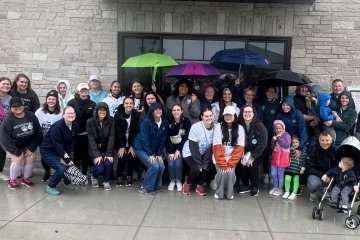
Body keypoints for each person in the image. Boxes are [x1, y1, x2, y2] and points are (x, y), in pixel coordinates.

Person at [0, 97, 42, 190]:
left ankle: (26, 179)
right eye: (14, 106)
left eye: (19, 105)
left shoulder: (31, 115)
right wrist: (16, 152)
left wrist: (31, 147)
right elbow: (5, 139)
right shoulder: (8, 120)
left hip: (27, 144)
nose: (18, 107)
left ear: (23, 106)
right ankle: (12, 181)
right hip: (13, 145)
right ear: (11, 108)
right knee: (18, 159)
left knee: (31, 157)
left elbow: (38, 132)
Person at [40, 106, 78, 195]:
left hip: (61, 150)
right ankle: (50, 187)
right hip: (48, 151)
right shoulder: (57, 127)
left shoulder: (75, 125)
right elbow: (57, 145)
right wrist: (67, 159)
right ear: (63, 115)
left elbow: (74, 140)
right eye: (68, 113)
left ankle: (67, 182)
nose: (71, 115)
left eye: (72, 113)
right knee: (61, 168)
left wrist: (69, 153)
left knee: (69, 165)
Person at [134, 102, 168, 194]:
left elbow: (163, 139)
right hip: (140, 148)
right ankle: (145, 188)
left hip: (154, 149)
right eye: (156, 109)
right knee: (154, 165)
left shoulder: (164, 122)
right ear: (152, 111)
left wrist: (158, 154)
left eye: (160, 109)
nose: (158, 111)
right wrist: (150, 154)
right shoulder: (146, 122)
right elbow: (145, 139)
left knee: (161, 166)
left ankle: (155, 186)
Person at [212, 106, 245, 200]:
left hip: (232, 158)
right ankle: (219, 193)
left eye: (230, 115)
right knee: (222, 173)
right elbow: (217, 146)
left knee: (230, 173)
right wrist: (223, 164)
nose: (228, 117)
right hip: (219, 157)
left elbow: (239, 148)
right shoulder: (218, 126)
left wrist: (230, 164)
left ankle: (229, 193)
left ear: (234, 116)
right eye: (226, 115)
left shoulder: (240, 128)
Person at [182, 107, 214, 196]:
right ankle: (187, 183)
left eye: (210, 116)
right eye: (206, 116)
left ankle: (199, 186)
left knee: (206, 168)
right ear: (202, 117)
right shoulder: (195, 127)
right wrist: (199, 164)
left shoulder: (215, 127)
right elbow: (193, 147)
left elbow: (211, 148)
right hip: (190, 152)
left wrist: (205, 162)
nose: (209, 118)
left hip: (204, 152)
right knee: (196, 169)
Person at [236, 105, 268, 197]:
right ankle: (246, 185)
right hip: (246, 149)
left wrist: (252, 157)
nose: (247, 114)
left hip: (260, 150)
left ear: (253, 114)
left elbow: (263, 144)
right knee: (240, 163)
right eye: (245, 112)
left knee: (252, 164)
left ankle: (254, 186)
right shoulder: (239, 125)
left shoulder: (260, 127)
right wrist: (241, 151)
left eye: (249, 112)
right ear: (242, 114)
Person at [67, 83, 96, 175]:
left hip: (86, 134)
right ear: (78, 91)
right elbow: (68, 117)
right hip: (74, 134)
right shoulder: (71, 102)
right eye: (82, 90)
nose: (84, 92)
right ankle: (76, 174)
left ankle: (84, 174)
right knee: (76, 155)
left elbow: (94, 120)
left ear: (88, 91)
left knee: (85, 155)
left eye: (85, 90)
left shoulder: (93, 104)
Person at [35, 90, 63, 182]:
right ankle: (47, 172)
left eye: (53, 99)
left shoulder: (61, 112)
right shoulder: (40, 111)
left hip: (56, 139)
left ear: (57, 100)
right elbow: (36, 125)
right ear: (46, 100)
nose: (51, 101)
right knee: (44, 157)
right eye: (49, 99)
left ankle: (57, 172)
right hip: (43, 139)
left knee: (56, 156)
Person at [87, 102, 115, 190]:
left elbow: (111, 136)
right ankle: (94, 176)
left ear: (107, 111)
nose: (102, 112)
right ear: (96, 111)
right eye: (100, 110)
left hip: (107, 148)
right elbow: (91, 139)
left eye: (104, 110)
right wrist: (97, 155)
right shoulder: (90, 121)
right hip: (94, 149)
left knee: (108, 163)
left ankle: (106, 181)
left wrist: (109, 153)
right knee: (99, 168)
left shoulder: (111, 120)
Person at [114, 97, 140, 187]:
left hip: (131, 140)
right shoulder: (118, 114)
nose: (129, 105)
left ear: (133, 105)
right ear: (123, 104)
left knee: (131, 156)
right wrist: (121, 146)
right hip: (120, 140)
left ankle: (129, 176)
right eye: (127, 103)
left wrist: (132, 145)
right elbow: (118, 131)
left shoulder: (136, 114)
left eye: (131, 103)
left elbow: (136, 131)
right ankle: (119, 176)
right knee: (122, 157)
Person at [306, 131, 338, 202]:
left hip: (331, 174)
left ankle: (326, 191)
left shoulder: (336, 150)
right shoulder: (313, 149)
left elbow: (339, 166)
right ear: (319, 140)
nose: (324, 143)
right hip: (316, 174)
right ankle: (313, 192)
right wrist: (322, 175)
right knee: (313, 184)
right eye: (322, 140)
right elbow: (309, 167)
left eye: (327, 140)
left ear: (331, 140)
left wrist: (329, 174)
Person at [165, 104, 191, 192]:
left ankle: (179, 180)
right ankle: (172, 180)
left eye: (178, 110)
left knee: (178, 164)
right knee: (171, 164)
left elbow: (186, 138)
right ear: (171, 112)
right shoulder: (168, 121)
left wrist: (178, 150)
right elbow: (166, 137)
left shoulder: (186, 122)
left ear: (182, 111)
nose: (176, 112)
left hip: (182, 147)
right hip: (170, 147)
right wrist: (172, 151)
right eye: (174, 110)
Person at [260, 86, 280, 184]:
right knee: (264, 154)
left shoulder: (278, 104)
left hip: (273, 134)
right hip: (263, 134)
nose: (270, 93)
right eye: (269, 91)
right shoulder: (261, 103)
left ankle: (273, 174)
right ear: (266, 92)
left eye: (273, 92)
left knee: (273, 155)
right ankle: (266, 174)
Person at [293, 84, 320, 148]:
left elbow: (317, 112)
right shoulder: (295, 100)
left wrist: (317, 120)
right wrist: (315, 117)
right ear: (298, 88)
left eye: (306, 87)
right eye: (302, 87)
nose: (304, 89)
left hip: (312, 129)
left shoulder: (308, 99)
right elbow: (301, 116)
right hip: (301, 130)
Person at [269, 120, 291, 197]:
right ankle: (275, 186)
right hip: (275, 156)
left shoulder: (286, 135)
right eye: (276, 128)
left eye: (280, 128)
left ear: (283, 127)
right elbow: (272, 147)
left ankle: (280, 189)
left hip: (283, 157)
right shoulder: (275, 135)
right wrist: (273, 140)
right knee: (273, 173)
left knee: (280, 174)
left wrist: (279, 138)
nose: (278, 130)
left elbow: (286, 145)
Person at [282, 135, 306, 200]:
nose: (295, 144)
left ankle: (294, 193)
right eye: (293, 142)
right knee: (287, 179)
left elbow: (304, 160)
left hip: (297, 169)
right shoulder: (290, 150)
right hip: (289, 168)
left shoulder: (303, 151)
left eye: (296, 142)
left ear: (299, 142)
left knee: (296, 181)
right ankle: (287, 192)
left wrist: (303, 168)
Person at [0, 77, 12, 181]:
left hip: (4, 128)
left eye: (8, 84)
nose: (6, 86)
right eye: (4, 84)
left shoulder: (10, 99)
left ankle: (0, 172)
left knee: (1, 151)